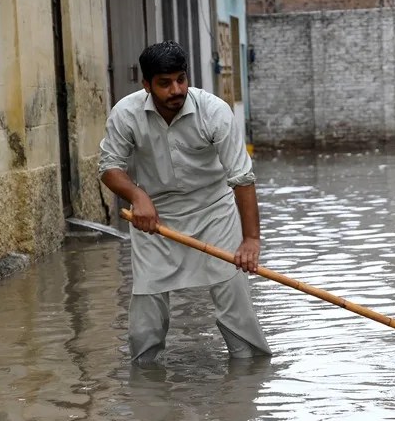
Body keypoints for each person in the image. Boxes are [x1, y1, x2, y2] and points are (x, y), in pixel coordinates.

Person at [98, 41, 271, 363]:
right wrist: (138, 196)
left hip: (214, 212)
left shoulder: (214, 111)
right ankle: (147, 385)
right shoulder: (126, 113)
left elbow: (242, 178)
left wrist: (250, 239)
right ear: (146, 85)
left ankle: (249, 378)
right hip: (155, 219)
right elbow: (109, 168)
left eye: (181, 79)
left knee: (235, 304)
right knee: (145, 316)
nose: (176, 89)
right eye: (164, 83)